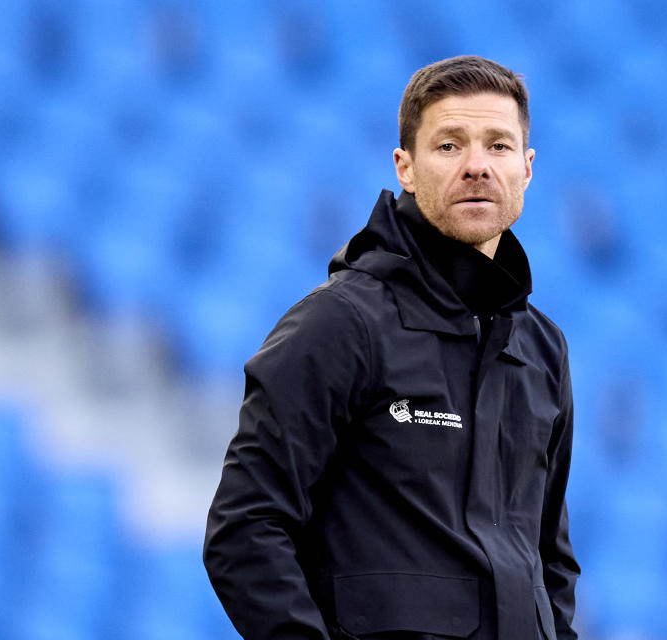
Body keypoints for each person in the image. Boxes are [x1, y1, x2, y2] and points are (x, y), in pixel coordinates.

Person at [204, 55, 580, 640]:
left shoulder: (542, 347)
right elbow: (245, 529)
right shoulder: (339, 324)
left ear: (527, 169)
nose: (478, 166)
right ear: (405, 167)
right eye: (450, 145)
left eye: (499, 146)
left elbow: (549, 559)